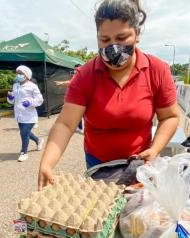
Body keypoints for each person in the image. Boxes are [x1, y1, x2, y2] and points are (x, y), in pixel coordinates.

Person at [38, 0, 179, 189]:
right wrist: (47, 163)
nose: (113, 47)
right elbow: (65, 124)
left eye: (122, 38)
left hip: (141, 161)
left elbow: (169, 116)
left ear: (137, 34)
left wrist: (155, 149)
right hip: (99, 164)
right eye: (105, 40)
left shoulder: (157, 70)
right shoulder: (85, 76)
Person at [7, 65, 45, 162]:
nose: (18, 75)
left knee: (23, 133)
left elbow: (39, 100)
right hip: (19, 114)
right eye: (17, 73)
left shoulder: (32, 86)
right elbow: (13, 100)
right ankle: (38, 140)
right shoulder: (15, 85)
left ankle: (24, 152)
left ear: (27, 75)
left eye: (21, 73)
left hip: (29, 115)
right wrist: (10, 99)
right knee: (26, 133)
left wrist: (30, 102)